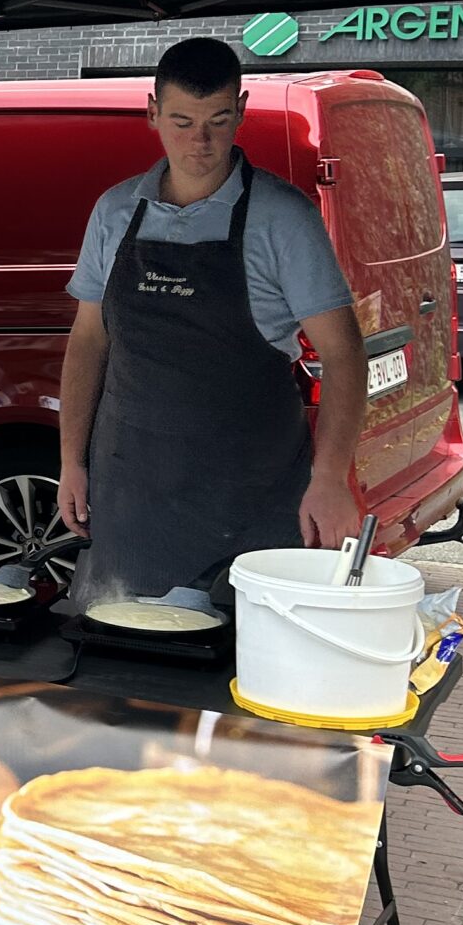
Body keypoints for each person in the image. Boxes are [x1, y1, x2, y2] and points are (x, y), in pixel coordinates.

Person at [57, 37, 365, 604]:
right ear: (152, 114)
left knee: (240, 662)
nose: (200, 141)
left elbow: (345, 354)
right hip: (132, 491)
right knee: (125, 658)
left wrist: (329, 478)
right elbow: (88, 340)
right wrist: (70, 462)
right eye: (182, 121)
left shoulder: (282, 219)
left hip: (251, 497)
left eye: (218, 121)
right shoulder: (115, 211)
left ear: (241, 111)